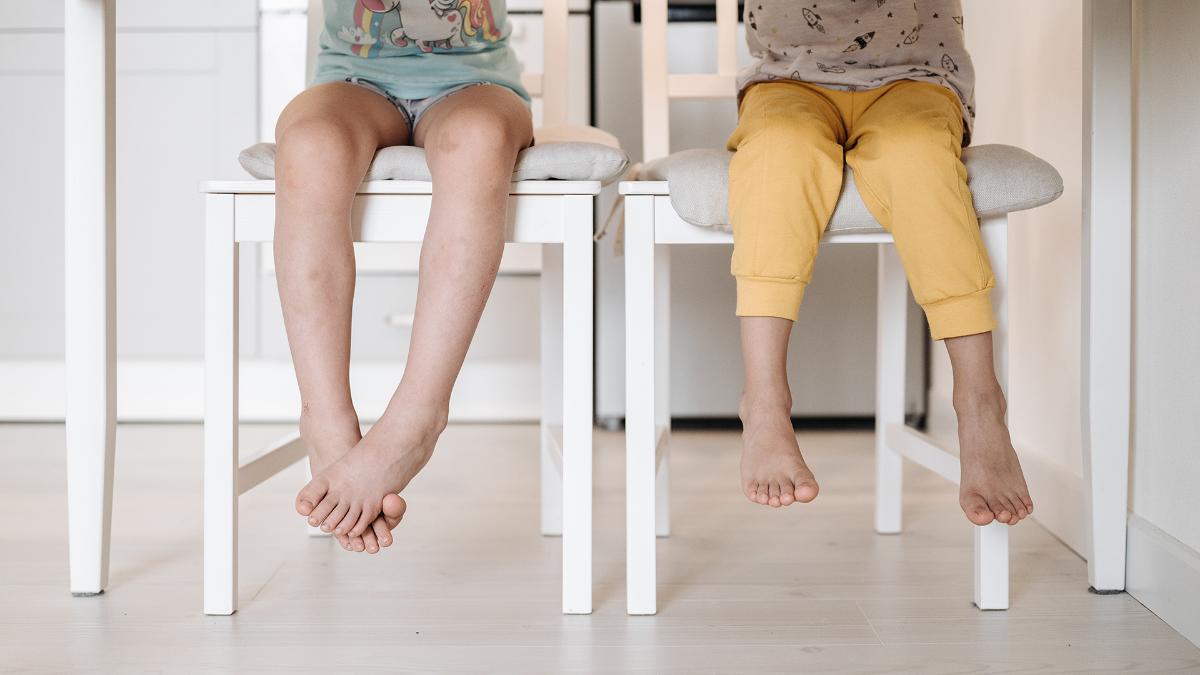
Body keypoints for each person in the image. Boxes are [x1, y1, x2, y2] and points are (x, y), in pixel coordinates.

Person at [728, 1, 1033, 526]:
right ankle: (764, 400)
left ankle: (981, 401)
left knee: (918, 160)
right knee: (778, 155)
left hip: (917, 78)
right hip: (788, 79)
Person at [279, 0, 533, 553]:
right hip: (353, 80)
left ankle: (417, 418)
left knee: (480, 138)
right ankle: (326, 422)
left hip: (476, 84)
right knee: (309, 144)